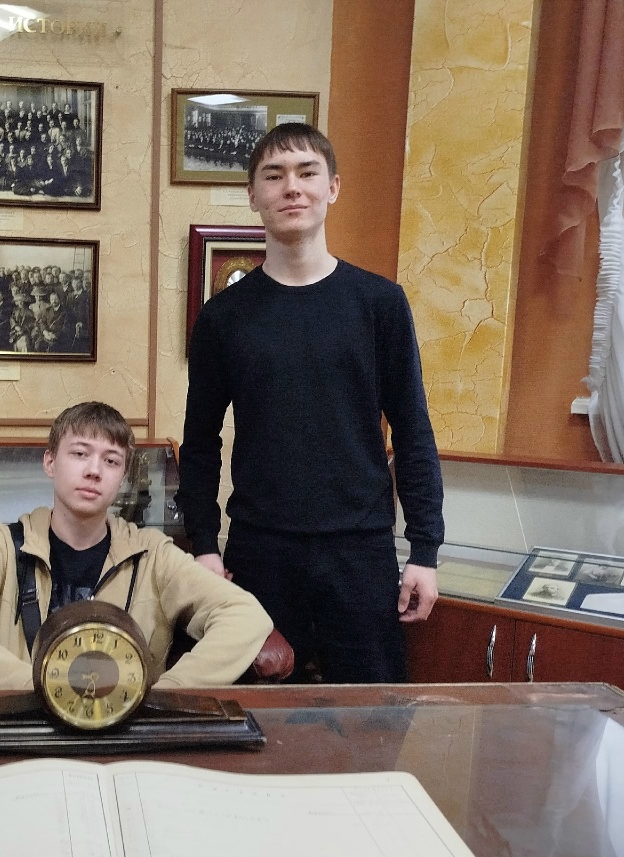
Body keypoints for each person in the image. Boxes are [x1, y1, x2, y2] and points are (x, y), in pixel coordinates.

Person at [178, 122, 443, 685]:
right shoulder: (224, 318)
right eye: (274, 176)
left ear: (333, 187)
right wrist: (203, 545)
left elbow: (413, 431)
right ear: (253, 195)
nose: (291, 187)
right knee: (259, 722)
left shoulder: (379, 304)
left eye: (307, 172)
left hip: (361, 551)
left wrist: (425, 549)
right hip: (260, 551)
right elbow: (199, 442)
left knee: (372, 721)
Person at [0, 402, 272, 688]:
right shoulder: (4, 545)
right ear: (50, 462)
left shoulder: (152, 553)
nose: (94, 470)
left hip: (126, 737)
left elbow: (246, 616)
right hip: (27, 731)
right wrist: (34, 688)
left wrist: (164, 694)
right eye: (80, 454)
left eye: (111, 461)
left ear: (123, 476)